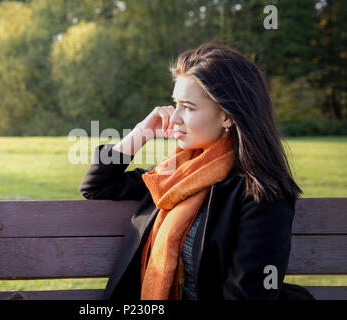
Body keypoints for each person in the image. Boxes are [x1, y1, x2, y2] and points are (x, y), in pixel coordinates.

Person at [79, 43, 314, 300]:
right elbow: (97, 186)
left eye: (188, 107)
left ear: (227, 117)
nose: (175, 117)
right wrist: (141, 132)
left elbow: (245, 294)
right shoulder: (175, 174)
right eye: (175, 104)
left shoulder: (262, 194)